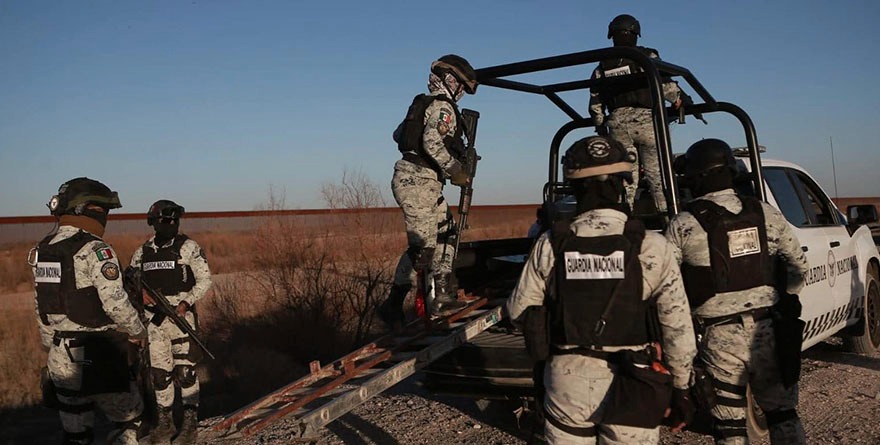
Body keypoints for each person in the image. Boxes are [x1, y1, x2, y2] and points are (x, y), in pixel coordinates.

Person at [506, 136, 697, 444]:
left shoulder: (551, 244)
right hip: (634, 379)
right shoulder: (652, 246)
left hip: (567, 379)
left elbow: (519, 312)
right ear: (623, 183)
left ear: (573, 186)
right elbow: (677, 326)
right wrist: (682, 387)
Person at [665, 139, 809, 444]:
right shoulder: (766, 214)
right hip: (769, 330)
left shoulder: (683, 224)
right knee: (783, 415)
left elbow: (666, 287)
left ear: (695, 178)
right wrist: (782, 300)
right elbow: (798, 267)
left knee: (730, 427)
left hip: (719, 337)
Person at [32, 177, 146, 444]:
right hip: (98, 354)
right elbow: (115, 303)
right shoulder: (96, 249)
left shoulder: (42, 250)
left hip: (60, 355)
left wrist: (50, 344)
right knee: (131, 421)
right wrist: (138, 330)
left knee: (76, 432)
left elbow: (41, 305)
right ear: (90, 210)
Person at [377, 54, 479, 329]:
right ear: (451, 81)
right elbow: (432, 142)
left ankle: (442, 295)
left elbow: (399, 135)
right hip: (418, 180)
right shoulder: (444, 107)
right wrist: (456, 170)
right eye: (461, 87)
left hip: (422, 180)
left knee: (447, 233)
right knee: (422, 247)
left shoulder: (423, 104)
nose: (461, 93)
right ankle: (393, 304)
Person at [129, 200, 212, 444]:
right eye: (166, 221)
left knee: (185, 372)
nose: (171, 224)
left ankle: (190, 424)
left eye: (175, 221)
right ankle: (165, 423)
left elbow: (205, 280)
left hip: (180, 317)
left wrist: (186, 302)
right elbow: (130, 279)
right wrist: (139, 293)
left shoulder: (188, 247)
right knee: (159, 374)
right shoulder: (143, 252)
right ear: (154, 223)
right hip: (154, 322)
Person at [589, 13, 683, 215]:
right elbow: (665, 85)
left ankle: (624, 221)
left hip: (618, 124)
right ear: (636, 33)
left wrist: (600, 126)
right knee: (658, 177)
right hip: (648, 122)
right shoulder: (646, 57)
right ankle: (669, 219)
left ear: (612, 35)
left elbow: (595, 103)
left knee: (625, 178)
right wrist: (678, 100)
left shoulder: (602, 66)